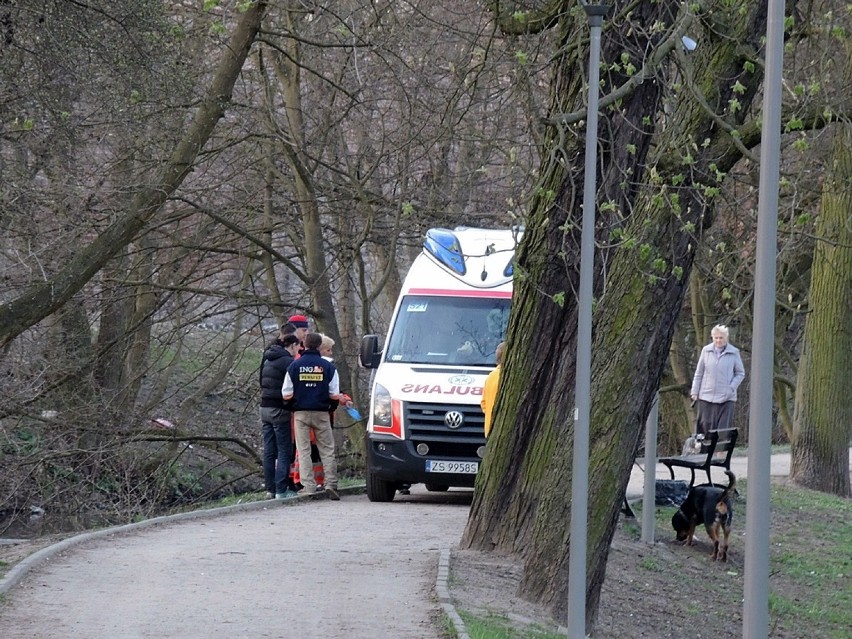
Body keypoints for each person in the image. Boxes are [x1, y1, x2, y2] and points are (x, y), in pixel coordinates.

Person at [282, 332, 341, 500]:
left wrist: (294, 405)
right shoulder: (328, 367)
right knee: (327, 450)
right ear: (319, 346)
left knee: (304, 450)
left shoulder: (294, 366)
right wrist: (330, 406)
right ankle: (331, 484)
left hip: (300, 413)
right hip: (322, 413)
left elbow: (286, 393)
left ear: (304, 345)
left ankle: (309, 486)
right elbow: (335, 393)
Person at [259, 333, 301, 499]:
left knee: (269, 450)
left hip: (264, 408)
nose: (297, 350)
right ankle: (281, 490)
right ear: (291, 345)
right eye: (297, 347)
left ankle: (270, 489)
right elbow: (295, 386)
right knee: (284, 450)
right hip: (279, 409)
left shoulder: (268, 358)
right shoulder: (288, 362)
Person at [690, 325, 746, 436]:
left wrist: (731, 388)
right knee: (705, 428)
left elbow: (740, 373)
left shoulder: (734, 353)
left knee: (722, 431)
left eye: (721, 338)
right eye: (716, 338)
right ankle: (705, 452)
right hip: (706, 396)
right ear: (712, 338)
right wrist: (694, 391)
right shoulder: (706, 351)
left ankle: (721, 452)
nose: (718, 340)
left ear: (726, 338)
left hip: (726, 398)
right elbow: (699, 373)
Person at [480, 341, 505, 438]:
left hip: (489, 428)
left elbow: (483, 403)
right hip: (501, 429)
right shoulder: (506, 377)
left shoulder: (491, 376)